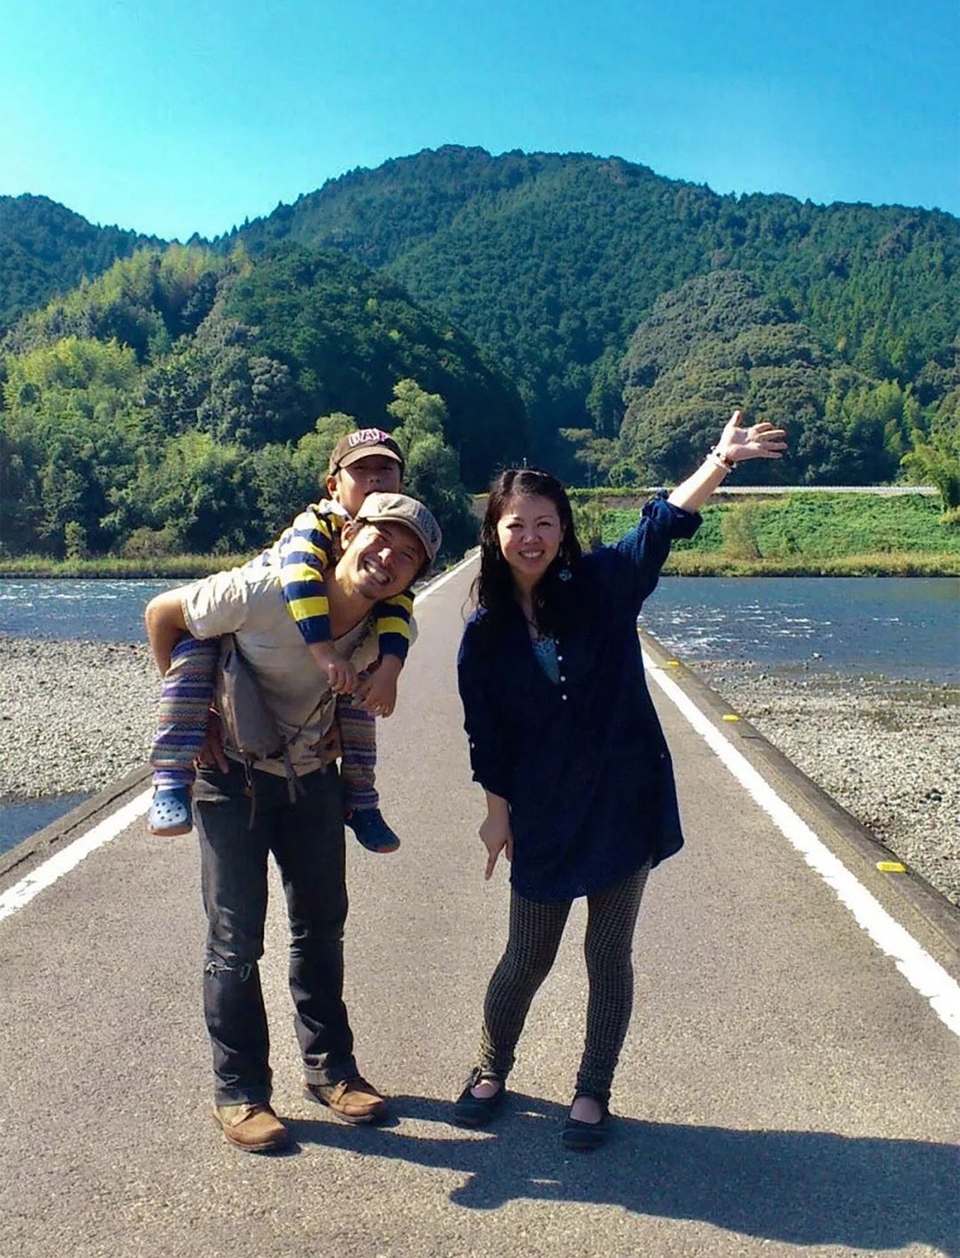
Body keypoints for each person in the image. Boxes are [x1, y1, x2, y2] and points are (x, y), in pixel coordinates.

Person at [453, 409, 786, 1150]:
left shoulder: (604, 583)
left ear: (563, 529)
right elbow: (487, 734)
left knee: (608, 956)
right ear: (495, 535)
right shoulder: (485, 633)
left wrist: (720, 461)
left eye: (544, 523)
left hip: (621, 805)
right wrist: (496, 813)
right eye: (516, 524)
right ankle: (490, 1067)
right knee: (526, 957)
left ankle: (592, 1088)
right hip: (543, 813)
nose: (531, 537)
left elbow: (661, 524)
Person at [144, 491, 442, 1153]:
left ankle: (331, 1071)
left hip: (312, 780)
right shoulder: (259, 591)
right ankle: (240, 1091)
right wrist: (198, 719)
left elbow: (364, 694)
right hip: (232, 778)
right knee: (235, 941)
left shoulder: (387, 628)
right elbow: (162, 613)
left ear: (414, 577)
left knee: (321, 928)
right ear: (348, 534)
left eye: (409, 555)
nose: (389, 557)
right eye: (381, 537)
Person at [148, 427, 415, 853]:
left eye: (386, 470)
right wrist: (204, 710)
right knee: (193, 650)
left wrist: (389, 671)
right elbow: (299, 582)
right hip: (234, 630)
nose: (375, 479)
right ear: (333, 486)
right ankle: (170, 776)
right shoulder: (316, 526)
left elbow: (399, 608)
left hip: (312, 679)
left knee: (361, 679)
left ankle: (361, 798)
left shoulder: (392, 545)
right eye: (361, 470)